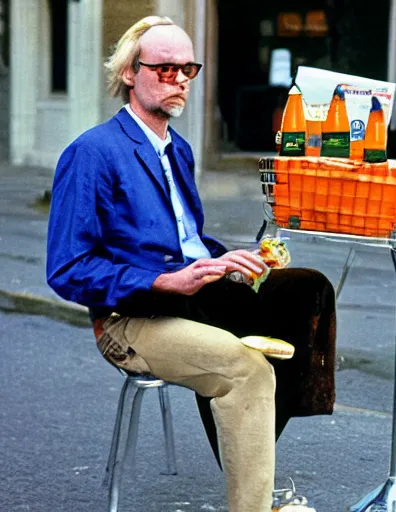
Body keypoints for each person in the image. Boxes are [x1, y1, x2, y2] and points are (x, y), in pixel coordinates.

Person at [46, 16, 336, 512]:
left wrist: (229, 259)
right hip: (133, 317)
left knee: (306, 290)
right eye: (165, 68)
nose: (179, 78)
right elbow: (68, 269)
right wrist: (161, 280)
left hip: (193, 296)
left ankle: (249, 451)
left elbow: (185, 239)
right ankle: (256, 504)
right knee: (246, 367)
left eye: (188, 68)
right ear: (131, 73)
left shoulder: (177, 150)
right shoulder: (93, 153)